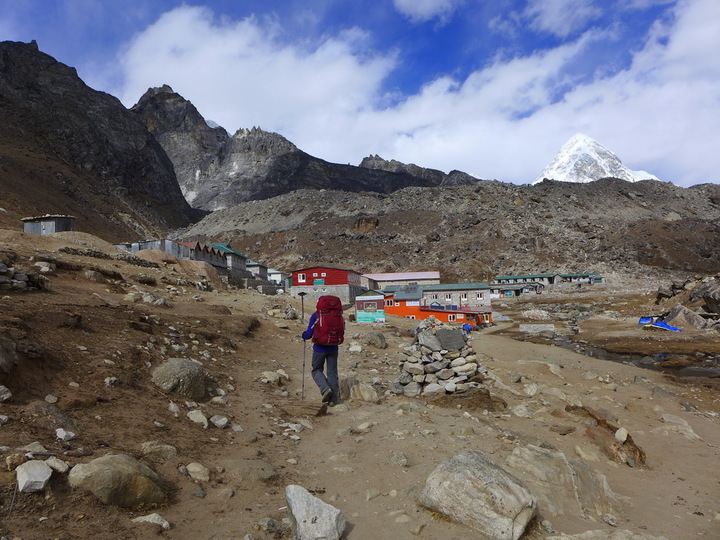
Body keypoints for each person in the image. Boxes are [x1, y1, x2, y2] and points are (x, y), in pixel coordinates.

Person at [301, 297, 342, 405]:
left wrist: (304, 336)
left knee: (316, 370)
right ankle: (333, 399)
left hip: (320, 348)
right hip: (334, 347)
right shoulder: (338, 315)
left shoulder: (316, 315)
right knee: (332, 372)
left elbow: (309, 334)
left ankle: (325, 389)